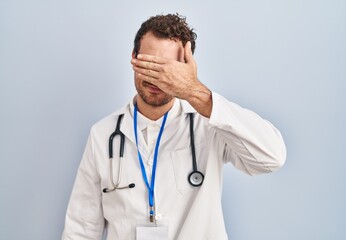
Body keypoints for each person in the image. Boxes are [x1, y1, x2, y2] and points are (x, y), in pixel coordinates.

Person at [61, 13, 286, 240]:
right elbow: (80, 229)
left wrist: (194, 90)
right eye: (149, 64)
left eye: (168, 69)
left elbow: (272, 158)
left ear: (186, 69)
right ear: (133, 58)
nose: (157, 77)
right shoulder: (103, 134)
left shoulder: (210, 125)